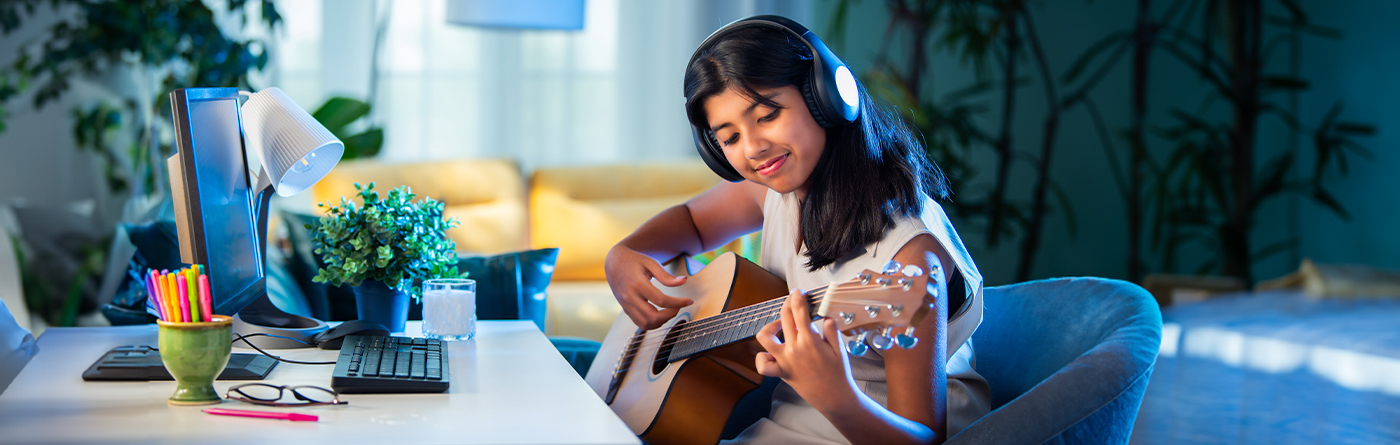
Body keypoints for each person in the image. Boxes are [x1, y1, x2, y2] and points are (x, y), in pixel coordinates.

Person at [604, 15, 990, 444]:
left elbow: (925, 438)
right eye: (729, 138)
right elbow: (692, 223)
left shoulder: (909, 259)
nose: (752, 148)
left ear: (826, 96)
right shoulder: (772, 192)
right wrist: (623, 255)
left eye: (767, 114)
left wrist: (837, 395)